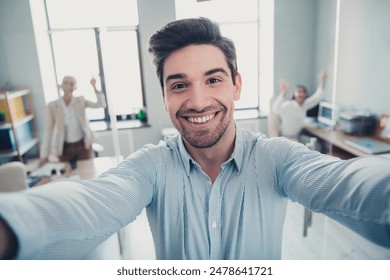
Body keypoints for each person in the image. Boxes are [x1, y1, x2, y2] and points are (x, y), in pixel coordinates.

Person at [0, 17, 389, 260]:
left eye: (214, 79)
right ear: (165, 97)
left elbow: (345, 185)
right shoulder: (150, 166)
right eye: (180, 84)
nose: (198, 100)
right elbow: (95, 202)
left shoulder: (278, 158)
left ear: (237, 86)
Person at [39, 76, 106, 167]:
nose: (68, 86)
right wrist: (44, 155)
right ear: (61, 86)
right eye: (65, 83)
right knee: (67, 176)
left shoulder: (80, 101)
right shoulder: (53, 105)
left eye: (71, 84)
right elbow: (49, 130)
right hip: (64, 147)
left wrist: (94, 87)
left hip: (82, 145)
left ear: (75, 87)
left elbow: (100, 104)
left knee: (87, 172)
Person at [272, 70, 328, 139]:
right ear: (294, 94)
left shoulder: (305, 105)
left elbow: (318, 96)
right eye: (299, 91)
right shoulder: (288, 105)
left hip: (297, 136)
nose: (301, 94)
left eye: (303, 92)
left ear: (306, 94)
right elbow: (275, 109)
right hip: (286, 138)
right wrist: (283, 92)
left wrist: (323, 80)